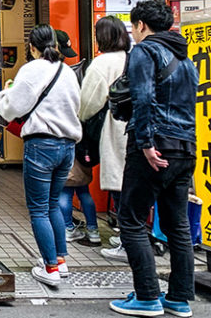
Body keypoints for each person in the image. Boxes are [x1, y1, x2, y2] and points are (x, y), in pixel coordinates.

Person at [110, 0, 197, 318]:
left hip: (153, 145)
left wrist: (145, 144)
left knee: (131, 220)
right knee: (178, 225)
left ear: (142, 26)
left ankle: (147, 296)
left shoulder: (145, 52)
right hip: (185, 148)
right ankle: (179, 298)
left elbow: (144, 97)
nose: (133, 33)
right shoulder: (185, 58)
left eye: (133, 27)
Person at [0, 24, 82, 288]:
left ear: (32, 47)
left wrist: (6, 91)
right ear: (55, 45)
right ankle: (61, 261)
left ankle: (50, 267)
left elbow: (11, 108)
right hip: (67, 146)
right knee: (52, 203)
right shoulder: (66, 71)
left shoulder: (31, 70)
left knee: (38, 209)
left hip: (41, 146)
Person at [78, 16, 131, 258]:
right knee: (134, 183)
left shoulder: (103, 64)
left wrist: (80, 119)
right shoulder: (134, 57)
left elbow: (87, 103)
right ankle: (134, 236)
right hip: (139, 131)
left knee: (120, 184)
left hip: (115, 128)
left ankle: (126, 239)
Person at [60, 159, 100, 244]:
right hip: (83, 165)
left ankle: (68, 229)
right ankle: (93, 230)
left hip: (67, 165)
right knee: (85, 195)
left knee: (65, 195)